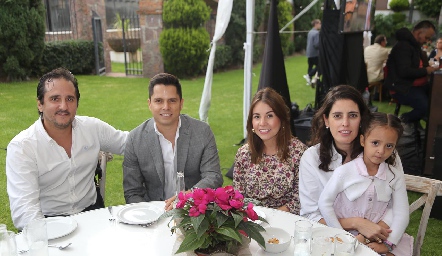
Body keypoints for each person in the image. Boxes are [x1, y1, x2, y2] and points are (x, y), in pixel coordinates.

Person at [6, 68, 128, 230]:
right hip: (49, 221)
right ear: (40, 104)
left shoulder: (93, 128)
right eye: (55, 99)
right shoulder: (22, 147)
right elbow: (25, 211)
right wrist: (48, 239)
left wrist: (165, 125)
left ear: (77, 102)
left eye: (70, 99)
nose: (63, 106)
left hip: (93, 215)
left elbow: (129, 143)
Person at [299, 85, 400, 242]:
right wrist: (357, 223)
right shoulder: (311, 158)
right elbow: (311, 215)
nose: (345, 123)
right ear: (326, 120)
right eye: (337, 116)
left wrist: (369, 236)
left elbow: (395, 206)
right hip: (326, 238)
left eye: (352, 115)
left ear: (362, 119)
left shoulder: (384, 152)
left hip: (379, 236)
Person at [123, 73, 223, 211]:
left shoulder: (202, 132)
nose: (166, 107)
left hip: (194, 212)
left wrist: (189, 197)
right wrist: (149, 214)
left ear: (181, 103)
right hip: (153, 214)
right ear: (149, 104)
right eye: (158, 101)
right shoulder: (135, 139)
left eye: (172, 100)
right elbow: (132, 192)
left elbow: (213, 176)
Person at [319, 112, 413, 255]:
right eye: (375, 143)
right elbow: (324, 203)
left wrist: (388, 244)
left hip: (380, 238)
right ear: (363, 140)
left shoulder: (394, 176)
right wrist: (340, 235)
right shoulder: (344, 172)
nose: (381, 151)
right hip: (343, 236)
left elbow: (401, 213)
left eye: (389, 146)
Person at [233, 88, 307, 214]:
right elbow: (238, 198)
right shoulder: (244, 154)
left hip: (287, 221)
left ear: (281, 119)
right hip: (252, 222)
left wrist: (269, 218)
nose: (262, 123)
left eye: (269, 116)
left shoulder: (299, 153)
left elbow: (299, 200)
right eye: (257, 117)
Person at [384, 20, 439, 125]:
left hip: (414, 86)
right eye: (427, 38)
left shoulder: (414, 46)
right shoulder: (403, 46)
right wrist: (426, 70)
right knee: (425, 107)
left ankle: (423, 129)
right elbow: (404, 72)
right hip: (401, 87)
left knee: (438, 97)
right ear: (418, 33)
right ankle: (400, 123)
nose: (427, 41)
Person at [303, 19, 321, 86]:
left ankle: (309, 81)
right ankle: (309, 75)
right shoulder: (316, 33)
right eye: (319, 23)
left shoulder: (310, 32)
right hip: (315, 53)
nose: (320, 25)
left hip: (309, 53)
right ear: (316, 24)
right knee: (320, 66)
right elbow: (316, 44)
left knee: (310, 66)